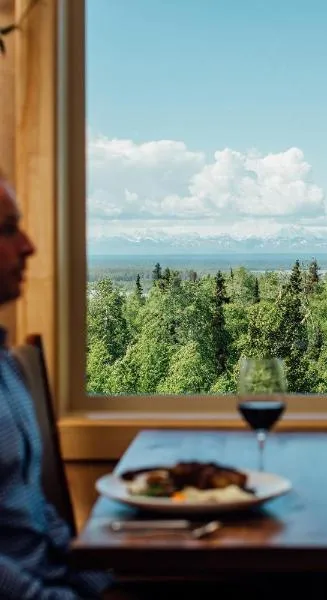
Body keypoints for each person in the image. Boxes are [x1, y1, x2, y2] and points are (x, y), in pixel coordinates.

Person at [0, 175, 118, 598]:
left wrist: (98, 584)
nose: (29, 246)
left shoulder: (8, 369)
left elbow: (35, 511)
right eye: (7, 229)